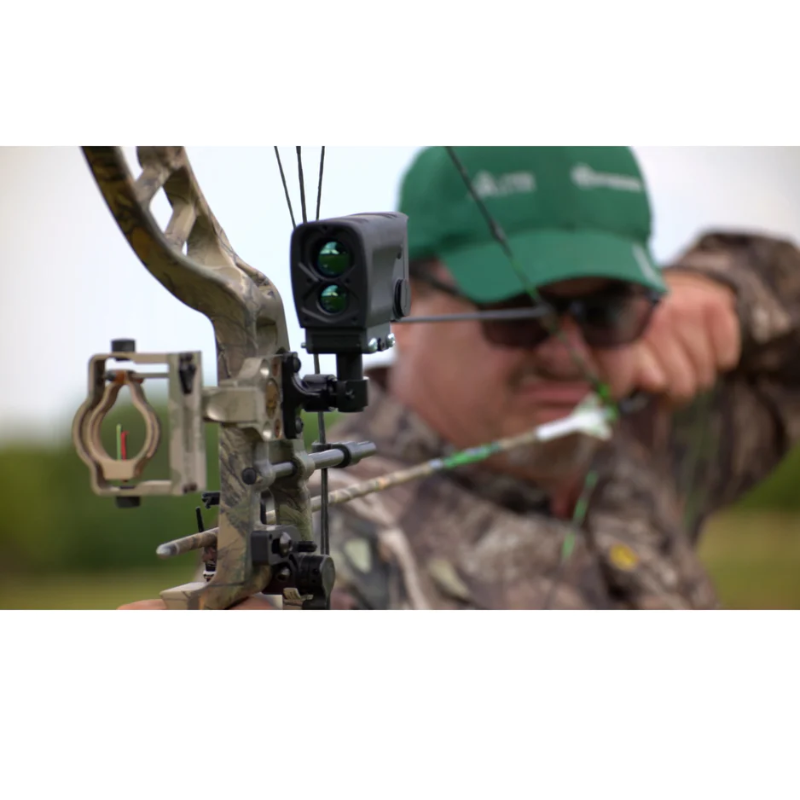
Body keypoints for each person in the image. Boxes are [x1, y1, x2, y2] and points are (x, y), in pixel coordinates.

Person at [121, 146, 800, 611]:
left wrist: (730, 288)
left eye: (606, 311)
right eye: (516, 311)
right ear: (403, 299)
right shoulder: (341, 527)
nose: (567, 351)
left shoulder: (653, 441)